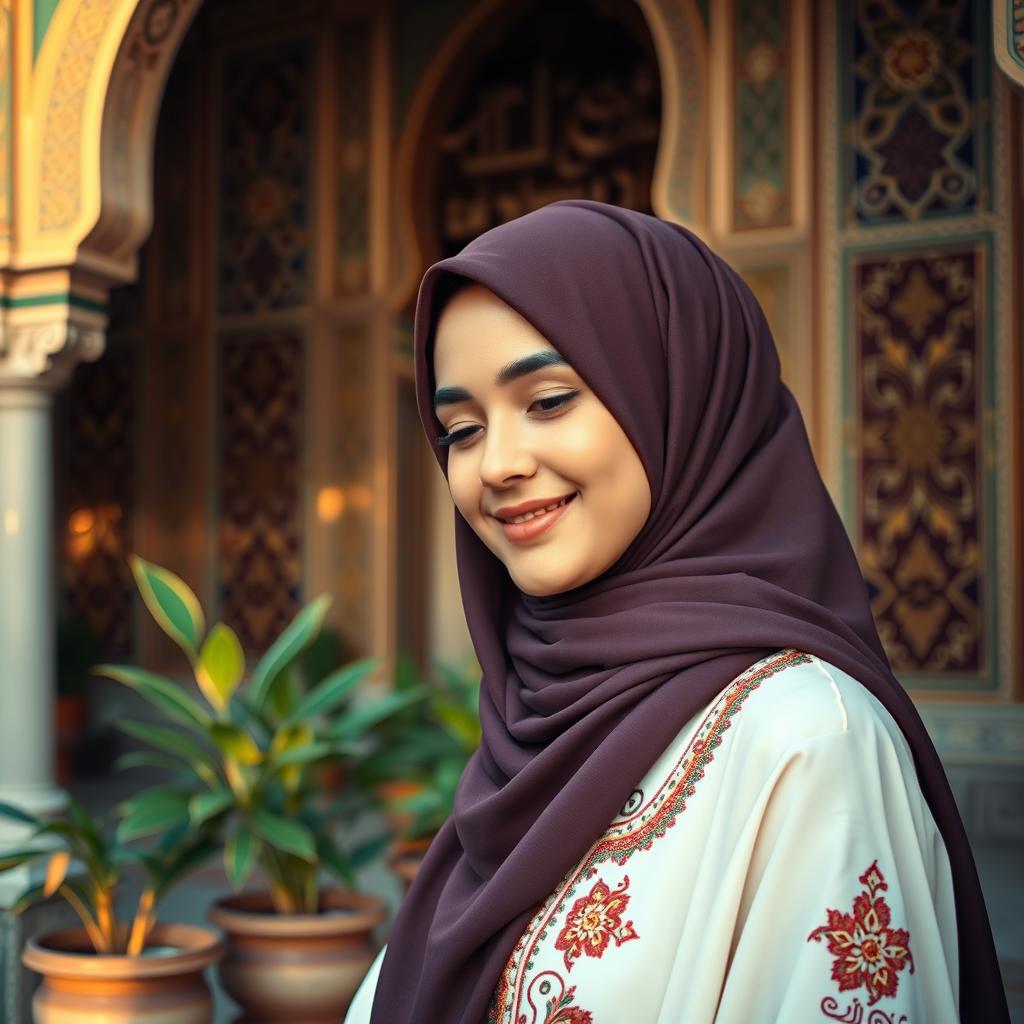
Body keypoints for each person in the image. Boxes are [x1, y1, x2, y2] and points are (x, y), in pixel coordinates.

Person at [344, 201, 1008, 1023]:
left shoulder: (808, 744)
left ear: (679, 395)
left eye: (548, 401)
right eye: (462, 429)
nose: (498, 466)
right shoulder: (532, 723)